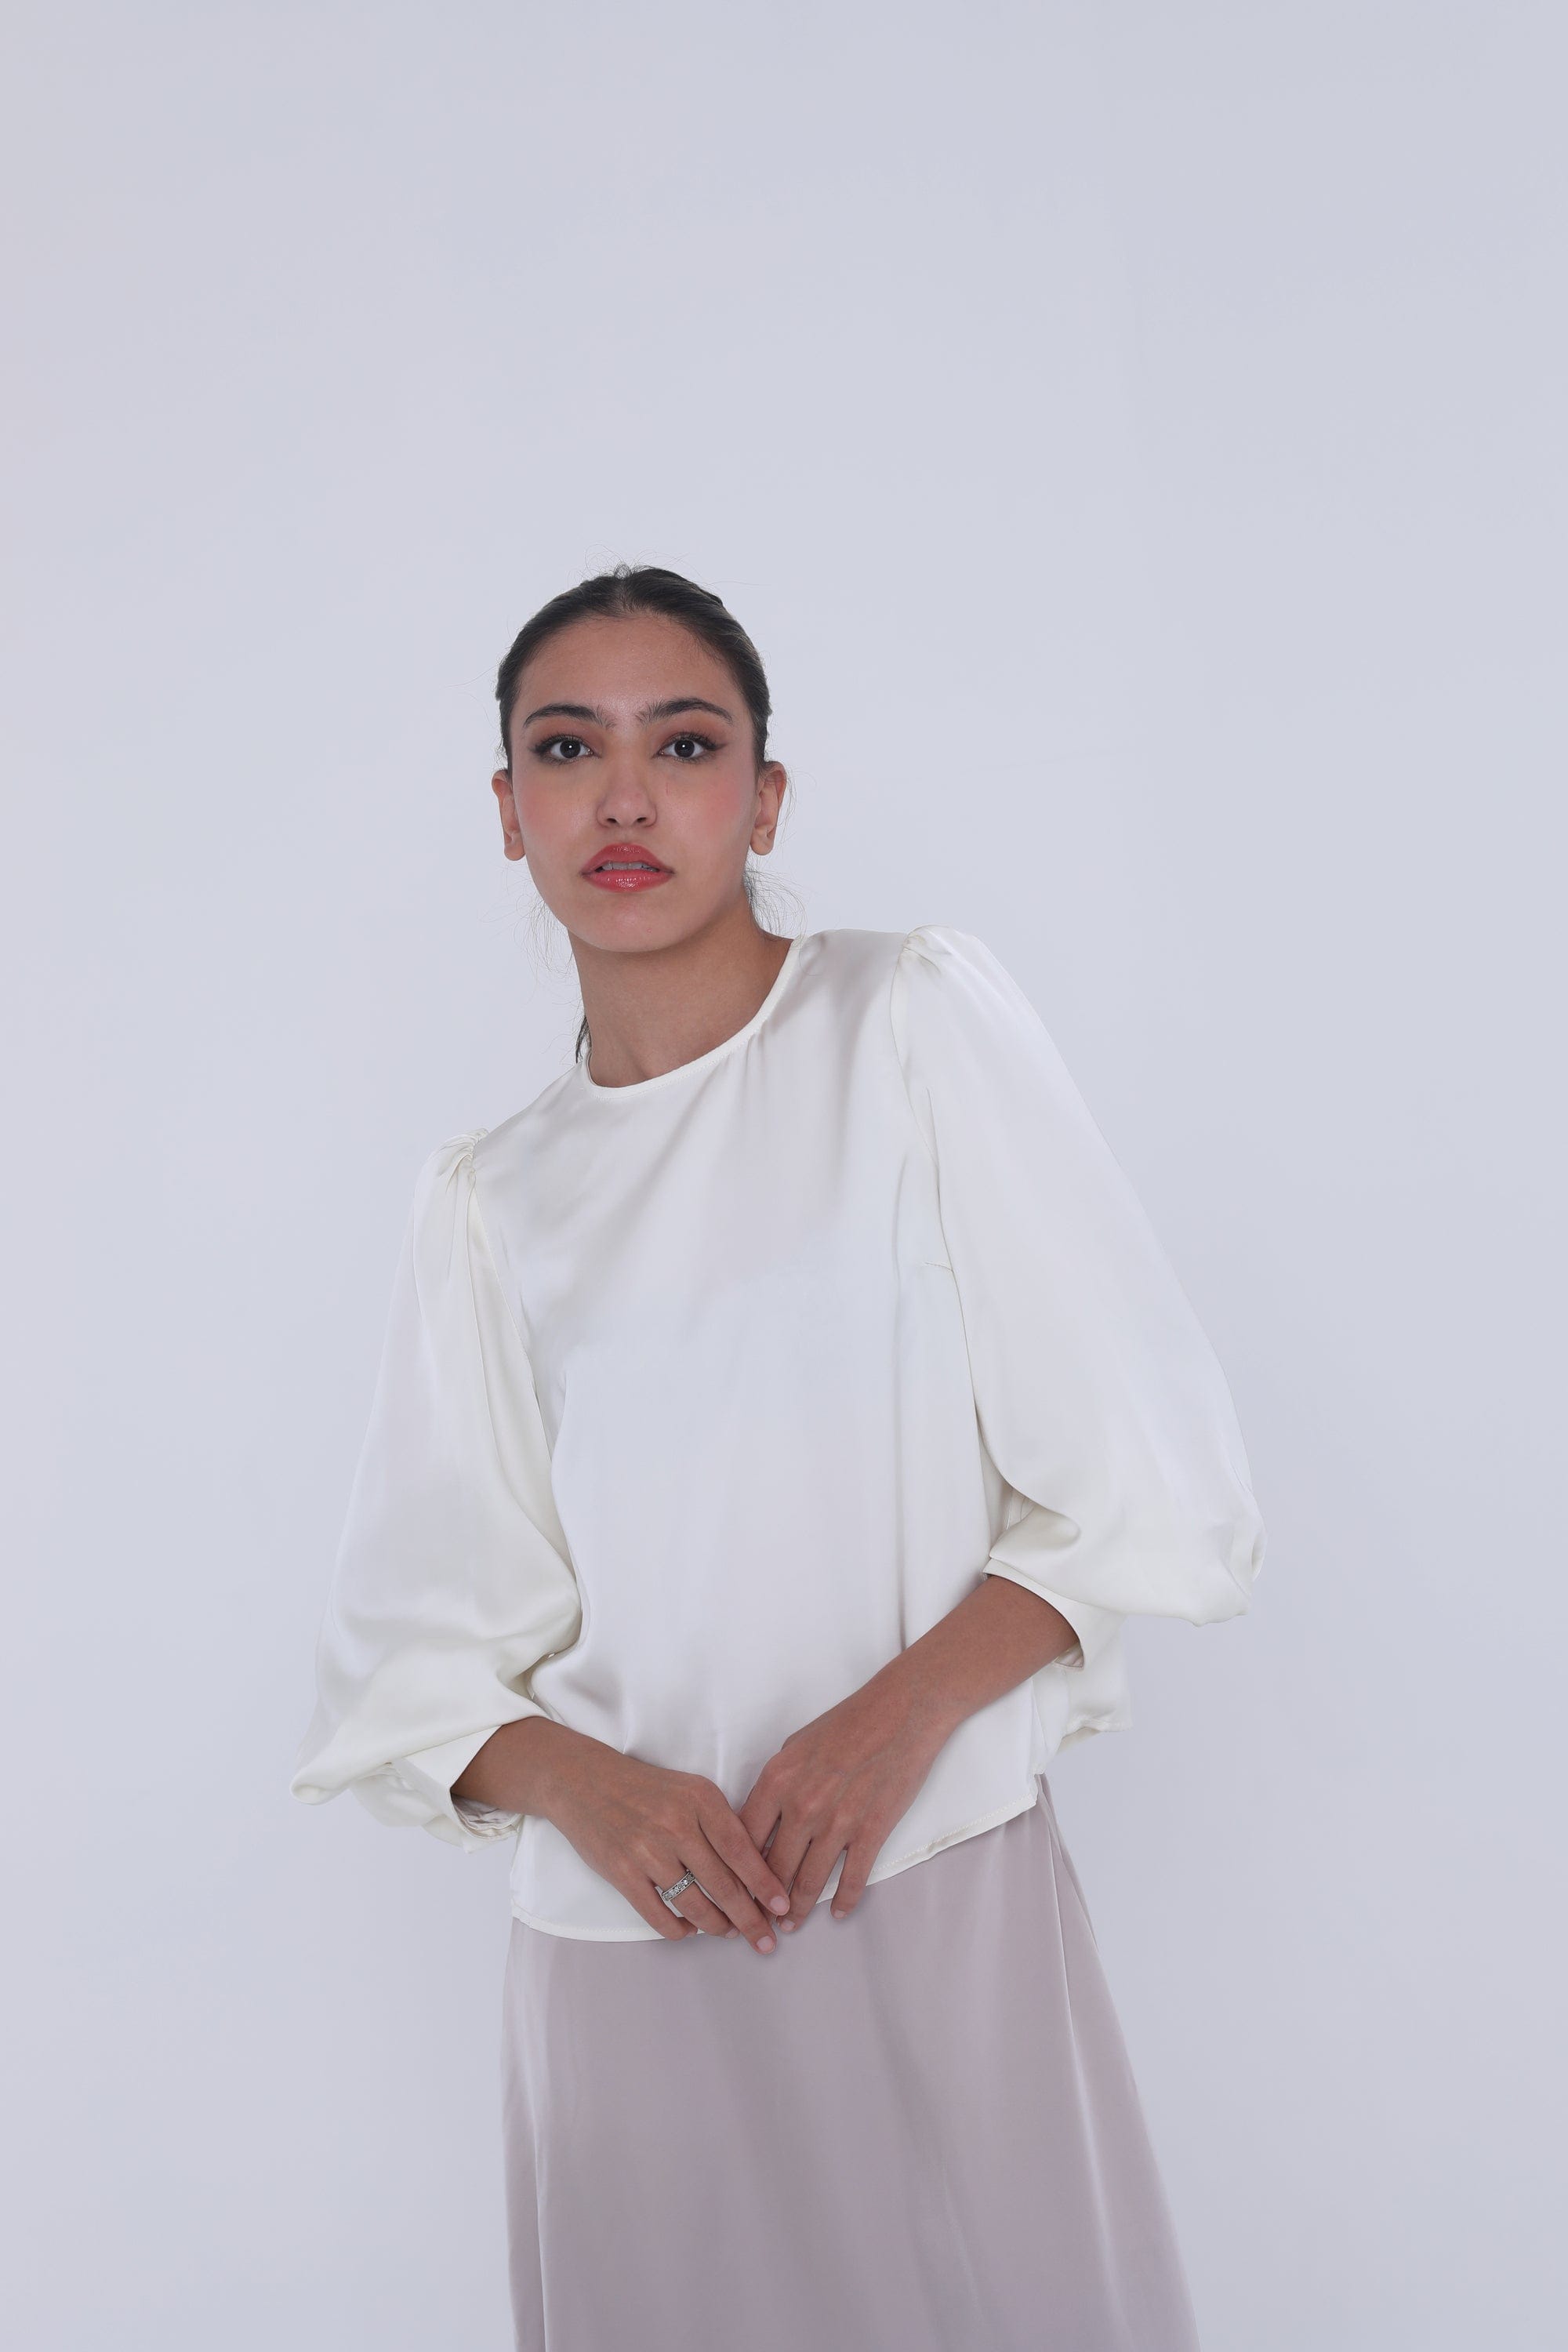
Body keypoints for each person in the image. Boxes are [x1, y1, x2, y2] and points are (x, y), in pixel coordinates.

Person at [290, 563, 1266, 2351]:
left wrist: (892, 1718)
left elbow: (1143, 1474)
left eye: (684, 745)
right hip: (629, 1948)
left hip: (927, 1878)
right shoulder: (494, 1200)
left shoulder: (906, 1023)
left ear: (766, 796)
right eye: (567, 749)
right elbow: (412, 1658)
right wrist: (593, 1791)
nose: (625, 797)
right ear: (506, 811)